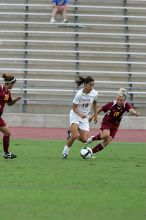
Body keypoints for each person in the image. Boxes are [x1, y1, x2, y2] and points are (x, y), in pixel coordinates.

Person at [85, 88, 140, 156]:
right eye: (118, 99)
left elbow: (131, 110)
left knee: (107, 141)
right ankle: (92, 138)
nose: (119, 101)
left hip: (115, 124)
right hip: (107, 121)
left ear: (124, 100)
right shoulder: (112, 103)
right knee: (106, 135)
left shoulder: (126, 105)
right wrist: (92, 116)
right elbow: (101, 109)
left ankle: (91, 153)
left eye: (121, 100)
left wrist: (135, 113)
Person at [62, 76, 98, 159]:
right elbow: (74, 107)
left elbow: (95, 104)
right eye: (90, 85)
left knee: (84, 139)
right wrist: (81, 114)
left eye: (93, 85)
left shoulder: (95, 93)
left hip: (85, 117)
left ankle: (70, 133)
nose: (92, 87)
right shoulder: (79, 94)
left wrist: (96, 115)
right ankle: (65, 153)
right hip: (75, 115)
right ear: (85, 84)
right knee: (74, 136)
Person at [0, 73, 21, 159]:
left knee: (7, 133)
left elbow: (9, 103)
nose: (13, 85)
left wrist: (15, 100)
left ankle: (6, 153)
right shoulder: (0, 88)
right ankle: (6, 153)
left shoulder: (8, 92)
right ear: (9, 83)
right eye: (13, 84)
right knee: (7, 133)